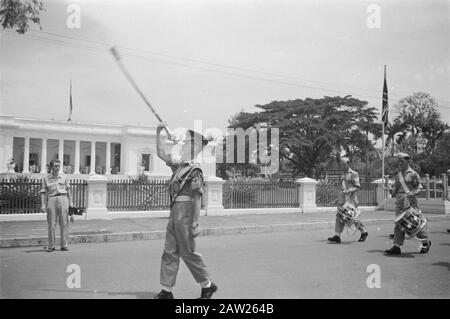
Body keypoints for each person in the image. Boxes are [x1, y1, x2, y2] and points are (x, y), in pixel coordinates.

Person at [153, 123, 218, 299]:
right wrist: (159, 133)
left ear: (194, 147)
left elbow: (197, 198)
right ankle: (166, 291)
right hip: (175, 212)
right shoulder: (179, 167)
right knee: (170, 251)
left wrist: (195, 223)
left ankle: (207, 285)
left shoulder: (194, 170)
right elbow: (160, 153)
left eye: (187, 143)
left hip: (187, 214)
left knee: (188, 252)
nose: (182, 145)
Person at [385, 153, 431, 255]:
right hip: (400, 203)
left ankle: (425, 242)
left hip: (411, 203)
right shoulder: (398, 175)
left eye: (402, 161)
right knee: (399, 224)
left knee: (415, 223)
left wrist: (412, 193)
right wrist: (390, 190)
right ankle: (397, 246)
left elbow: (419, 188)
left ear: (407, 161)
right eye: (399, 161)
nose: (400, 163)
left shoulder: (413, 174)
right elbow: (395, 191)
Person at [328, 158, 368, 243]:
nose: (342, 166)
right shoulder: (343, 175)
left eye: (343, 164)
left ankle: (364, 232)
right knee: (340, 216)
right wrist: (338, 198)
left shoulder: (354, 173)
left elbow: (357, 186)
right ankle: (337, 236)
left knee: (352, 217)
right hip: (343, 199)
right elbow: (342, 188)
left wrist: (349, 190)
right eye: (341, 165)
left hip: (351, 199)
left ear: (347, 164)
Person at [40, 159, 73, 252]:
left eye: (59, 166)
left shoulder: (64, 177)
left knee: (64, 223)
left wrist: (71, 202)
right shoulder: (46, 178)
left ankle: (64, 245)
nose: (57, 168)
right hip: (52, 199)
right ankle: (51, 245)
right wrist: (43, 204)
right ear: (51, 167)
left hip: (63, 198)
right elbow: (42, 192)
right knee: (51, 224)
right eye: (55, 166)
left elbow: (69, 190)